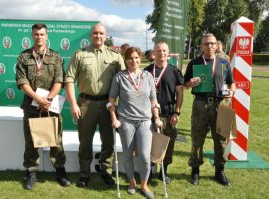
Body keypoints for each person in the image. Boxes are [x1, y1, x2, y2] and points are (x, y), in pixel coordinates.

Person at [65, 23, 126, 188]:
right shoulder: (80, 55)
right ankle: (84, 174)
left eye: (101, 33)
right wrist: (73, 105)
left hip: (108, 104)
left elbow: (125, 81)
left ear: (106, 36)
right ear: (90, 35)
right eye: (95, 33)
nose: (98, 36)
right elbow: (69, 80)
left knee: (108, 141)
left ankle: (106, 172)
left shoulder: (115, 56)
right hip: (85, 104)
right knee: (85, 142)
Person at [16, 23, 71, 190]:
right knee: (31, 141)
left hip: (50, 106)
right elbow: (22, 81)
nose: (39, 37)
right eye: (36, 34)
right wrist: (37, 98)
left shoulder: (56, 57)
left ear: (47, 36)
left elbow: (59, 81)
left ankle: (60, 172)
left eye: (42, 34)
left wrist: (47, 99)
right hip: (31, 106)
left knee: (56, 140)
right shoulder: (23, 57)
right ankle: (31, 173)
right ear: (32, 36)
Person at [108, 47, 162, 199]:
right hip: (126, 121)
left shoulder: (148, 76)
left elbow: (153, 99)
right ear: (125, 60)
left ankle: (144, 185)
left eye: (136, 57)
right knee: (127, 155)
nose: (134, 61)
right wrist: (114, 118)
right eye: (130, 58)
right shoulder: (119, 77)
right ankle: (132, 182)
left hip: (145, 121)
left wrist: (156, 117)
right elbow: (111, 100)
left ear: (140, 58)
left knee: (145, 156)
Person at [184, 33, 236, 186]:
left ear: (217, 44)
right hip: (200, 104)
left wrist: (232, 92)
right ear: (201, 46)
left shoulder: (224, 63)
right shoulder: (194, 63)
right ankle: (195, 170)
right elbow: (185, 84)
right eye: (206, 44)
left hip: (220, 105)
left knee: (220, 140)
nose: (210, 46)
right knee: (197, 138)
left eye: (212, 43)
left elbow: (231, 82)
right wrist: (190, 83)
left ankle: (220, 170)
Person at [144, 41, 184, 184]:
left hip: (168, 114)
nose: (161, 53)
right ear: (154, 53)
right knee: (149, 144)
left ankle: (164, 171)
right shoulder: (147, 71)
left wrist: (176, 113)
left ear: (168, 54)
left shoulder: (174, 71)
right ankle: (149, 172)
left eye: (164, 51)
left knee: (168, 144)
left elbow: (180, 93)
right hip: (148, 115)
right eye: (159, 50)